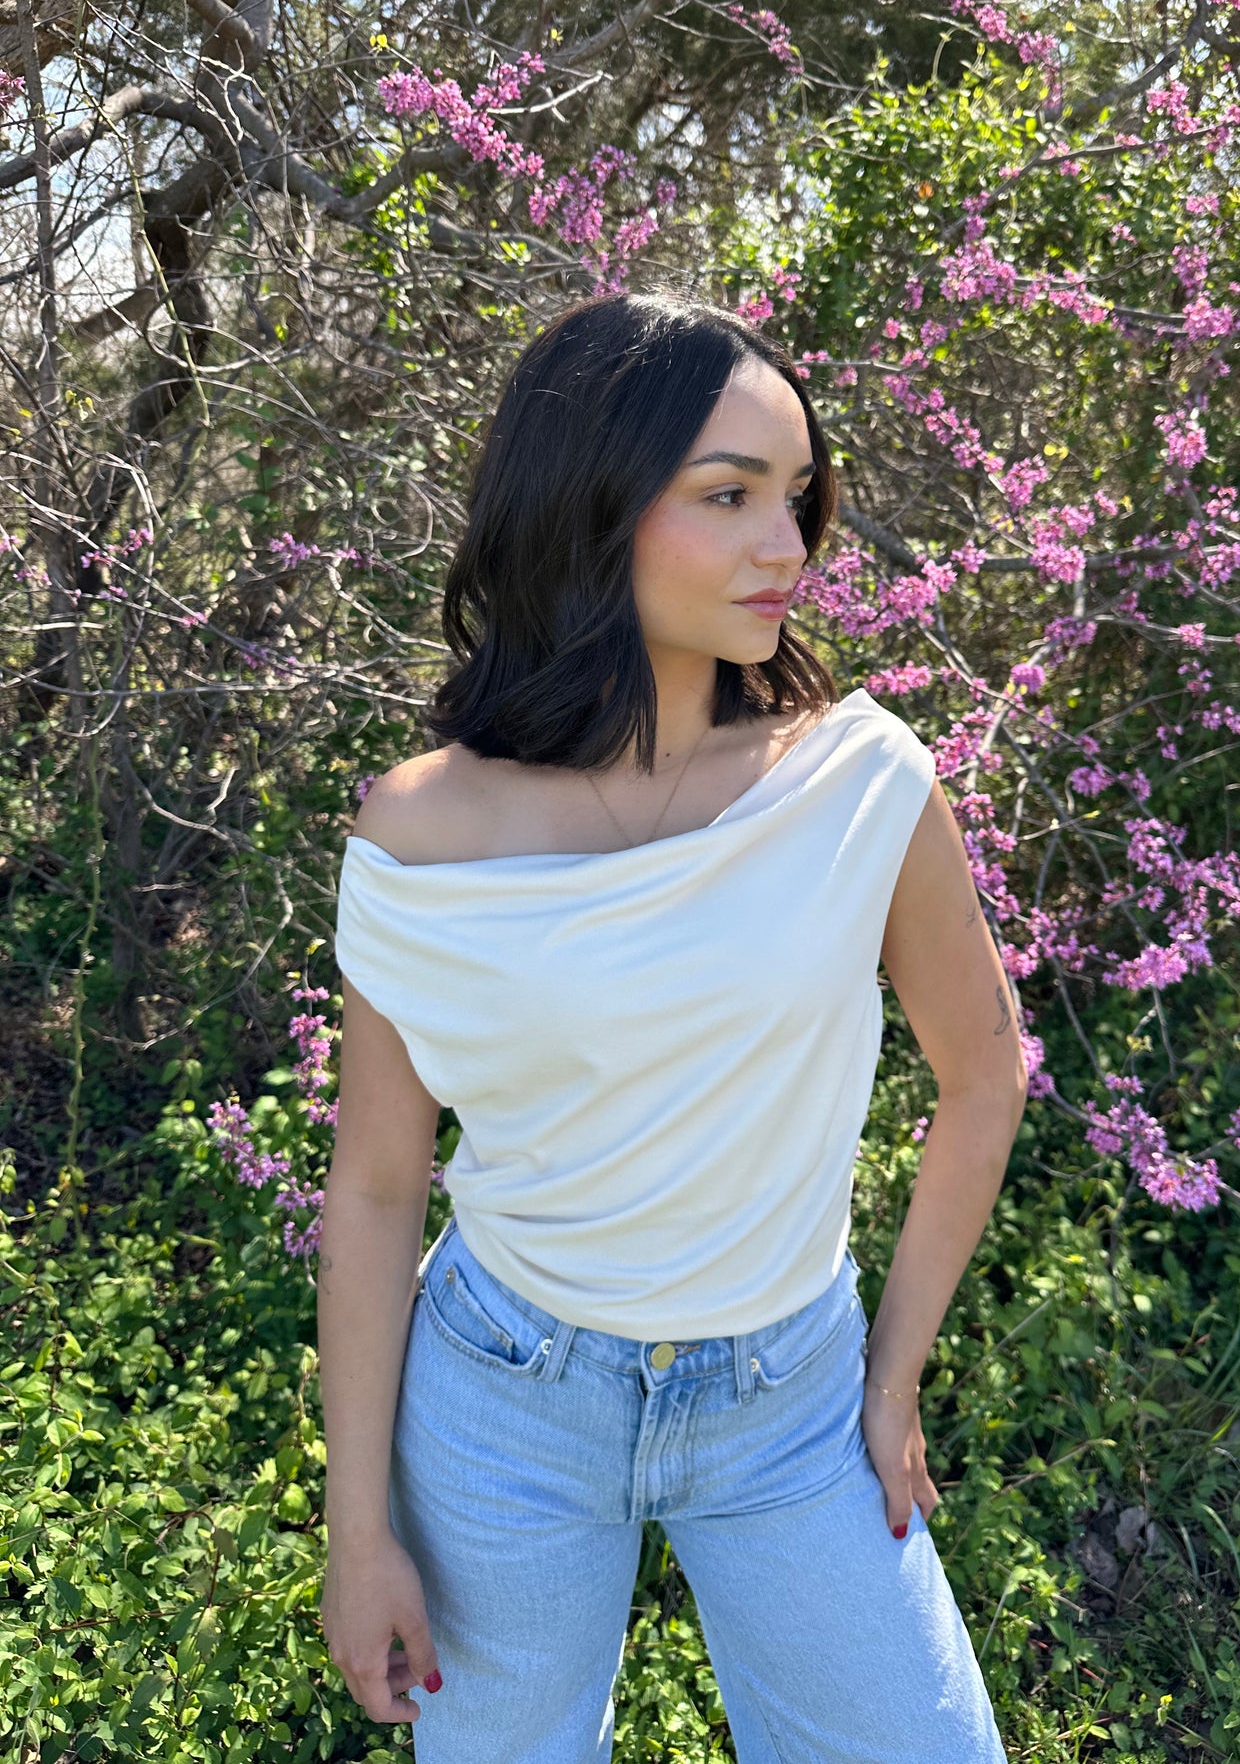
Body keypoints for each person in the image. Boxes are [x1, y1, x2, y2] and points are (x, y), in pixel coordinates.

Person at [317, 289, 1025, 1762]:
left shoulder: (861, 782)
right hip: (504, 1400)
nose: (791, 546)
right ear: (587, 507)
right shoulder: (419, 833)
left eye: (798, 497)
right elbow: (381, 1183)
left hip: (788, 1403)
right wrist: (356, 1528)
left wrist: (889, 1376)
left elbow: (983, 1079)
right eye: (729, 496)